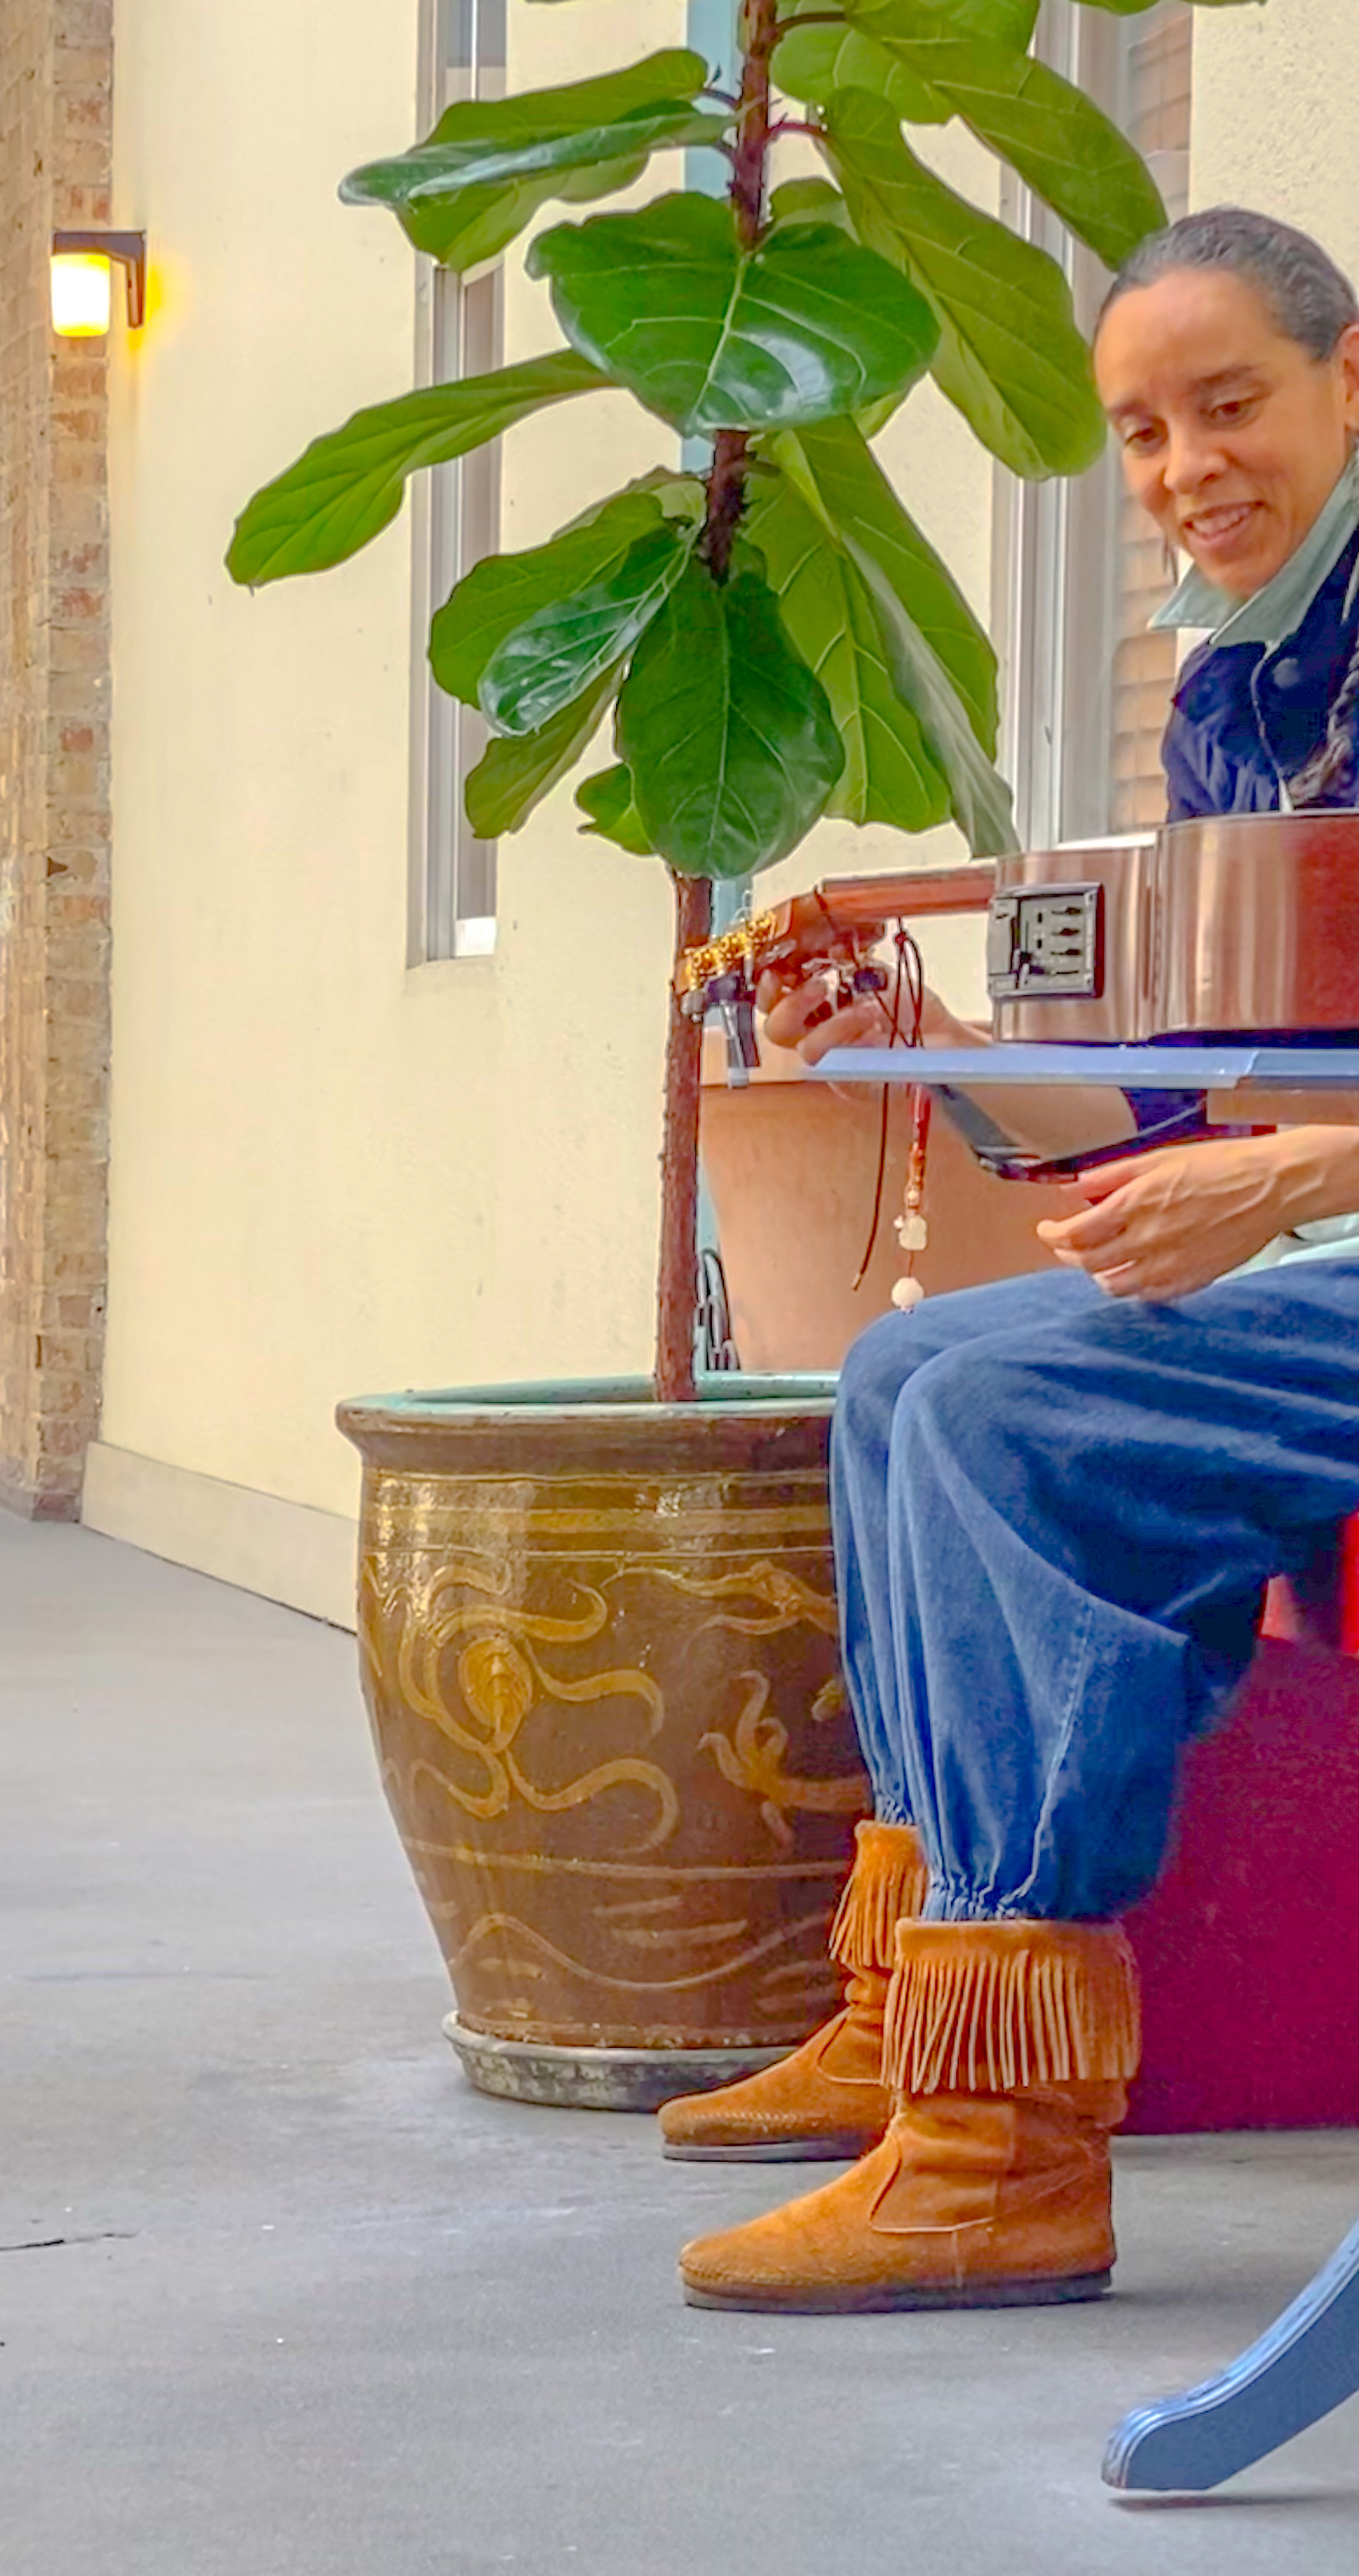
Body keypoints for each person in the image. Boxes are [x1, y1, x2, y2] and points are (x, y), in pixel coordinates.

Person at [656, 207, 1359, 2313]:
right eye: (1142, 431)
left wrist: (1294, 1183)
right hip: (1321, 1246)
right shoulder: (1238, 682)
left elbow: (1271, 1146)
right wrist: (930, 1044)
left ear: (1349, 382)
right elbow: (1192, 1098)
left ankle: (1006, 2144)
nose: (1185, 468)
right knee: (904, 1374)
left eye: (1228, 405)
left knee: (991, 1408)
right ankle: (921, 2009)